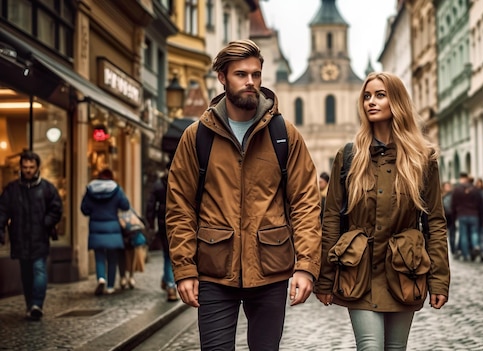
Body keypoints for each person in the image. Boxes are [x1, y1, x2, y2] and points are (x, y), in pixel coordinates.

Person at [166, 39, 321, 350]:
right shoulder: (197, 137)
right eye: (241, 74)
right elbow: (180, 206)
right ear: (222, 78)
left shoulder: (283, 134)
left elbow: (305, 203)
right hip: (214, 271)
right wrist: (184, 269)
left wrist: (306, 265)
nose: (250, 82)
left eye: (256, 74)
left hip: (270, 270)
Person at [314, 72, 450, 350]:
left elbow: (434, 222)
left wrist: (439, 281)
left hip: (403, 271)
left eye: (380, 95)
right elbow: (331, 221)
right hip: (358, 273)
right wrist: (325, 279)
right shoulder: (350, 156)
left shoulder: (422, 159)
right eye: (366, 96)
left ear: (397, 102)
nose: (370, 102)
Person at [0, 151, 63, 321]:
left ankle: (37, 304)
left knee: (39, 269)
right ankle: (30, 305)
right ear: (20, 167)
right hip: (20, 237)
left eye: (31, 167)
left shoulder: (47, 188)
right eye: (25, 167)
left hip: (39, 237)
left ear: (37, 168)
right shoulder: (12, 189)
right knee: (26, 273)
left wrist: (46, 222)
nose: (28, 170)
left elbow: (56, 208)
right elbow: (3, 210)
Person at [81, 169, 130, 296]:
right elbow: (125, 205)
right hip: (112, 226)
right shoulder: (116, 189)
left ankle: (101, 278)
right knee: (112, 257)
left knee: (99, 256)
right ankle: (110, 286)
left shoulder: (90, 189)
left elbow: (84, 209)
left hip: (96, 226)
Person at [146, 163, 178, 301]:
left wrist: (151, 222)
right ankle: (170, 285)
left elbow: (150, 204)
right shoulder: (179, 181)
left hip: (164, 223)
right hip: (177, 222)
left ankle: (168, 282)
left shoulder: (159, 184)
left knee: (167, 254)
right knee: (171, 254)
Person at [451, 172, 483, 261]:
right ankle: (475, 245)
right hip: (474, 214)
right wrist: (482, 216)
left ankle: (466, 255)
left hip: (462, 214)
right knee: (474, 232)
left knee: (463, 234)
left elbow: (453, 204)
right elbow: (480, 204)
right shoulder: (475, 189)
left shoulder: (457, 190)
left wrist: (453, 217)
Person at [441, 181, 457, 257]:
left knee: (452, 234)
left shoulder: (453, 195)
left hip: (452, 216)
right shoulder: (441, 195)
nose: (448, 188)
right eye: (446, 186)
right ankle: (443, 250)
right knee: (443, 235)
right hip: (444, 216)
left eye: (449, 186)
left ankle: (453, 250)